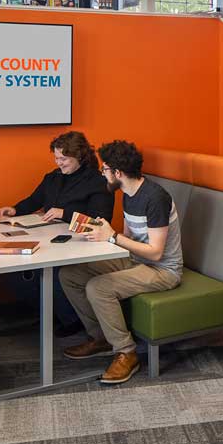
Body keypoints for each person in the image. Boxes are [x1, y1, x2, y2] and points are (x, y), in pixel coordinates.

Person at [60, 139, 182, 385]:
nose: (102, 173)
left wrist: (112, 236)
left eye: (105, 169)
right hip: (135, 260)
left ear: (118, 173)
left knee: (98, 287)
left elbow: (156, 253)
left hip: (163, 270)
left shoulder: (155, 198)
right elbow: (129, 239)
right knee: (69, 275)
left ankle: (127, 352)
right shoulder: (127, 193)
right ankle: (101, 337)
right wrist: (100, 233)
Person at [0, 131, 114, 334]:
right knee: (15, 274)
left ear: (79, 156)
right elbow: (35, 200)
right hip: (50, 240)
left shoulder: (97, 182)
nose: (59, 163)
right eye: (56, 158)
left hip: (81, 244)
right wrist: (14, 210)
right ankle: (51, 314)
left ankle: (71, 320)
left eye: (63, 159)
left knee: (57, 274)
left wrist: (64, 213)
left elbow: (100, 221)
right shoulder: (53, 177)